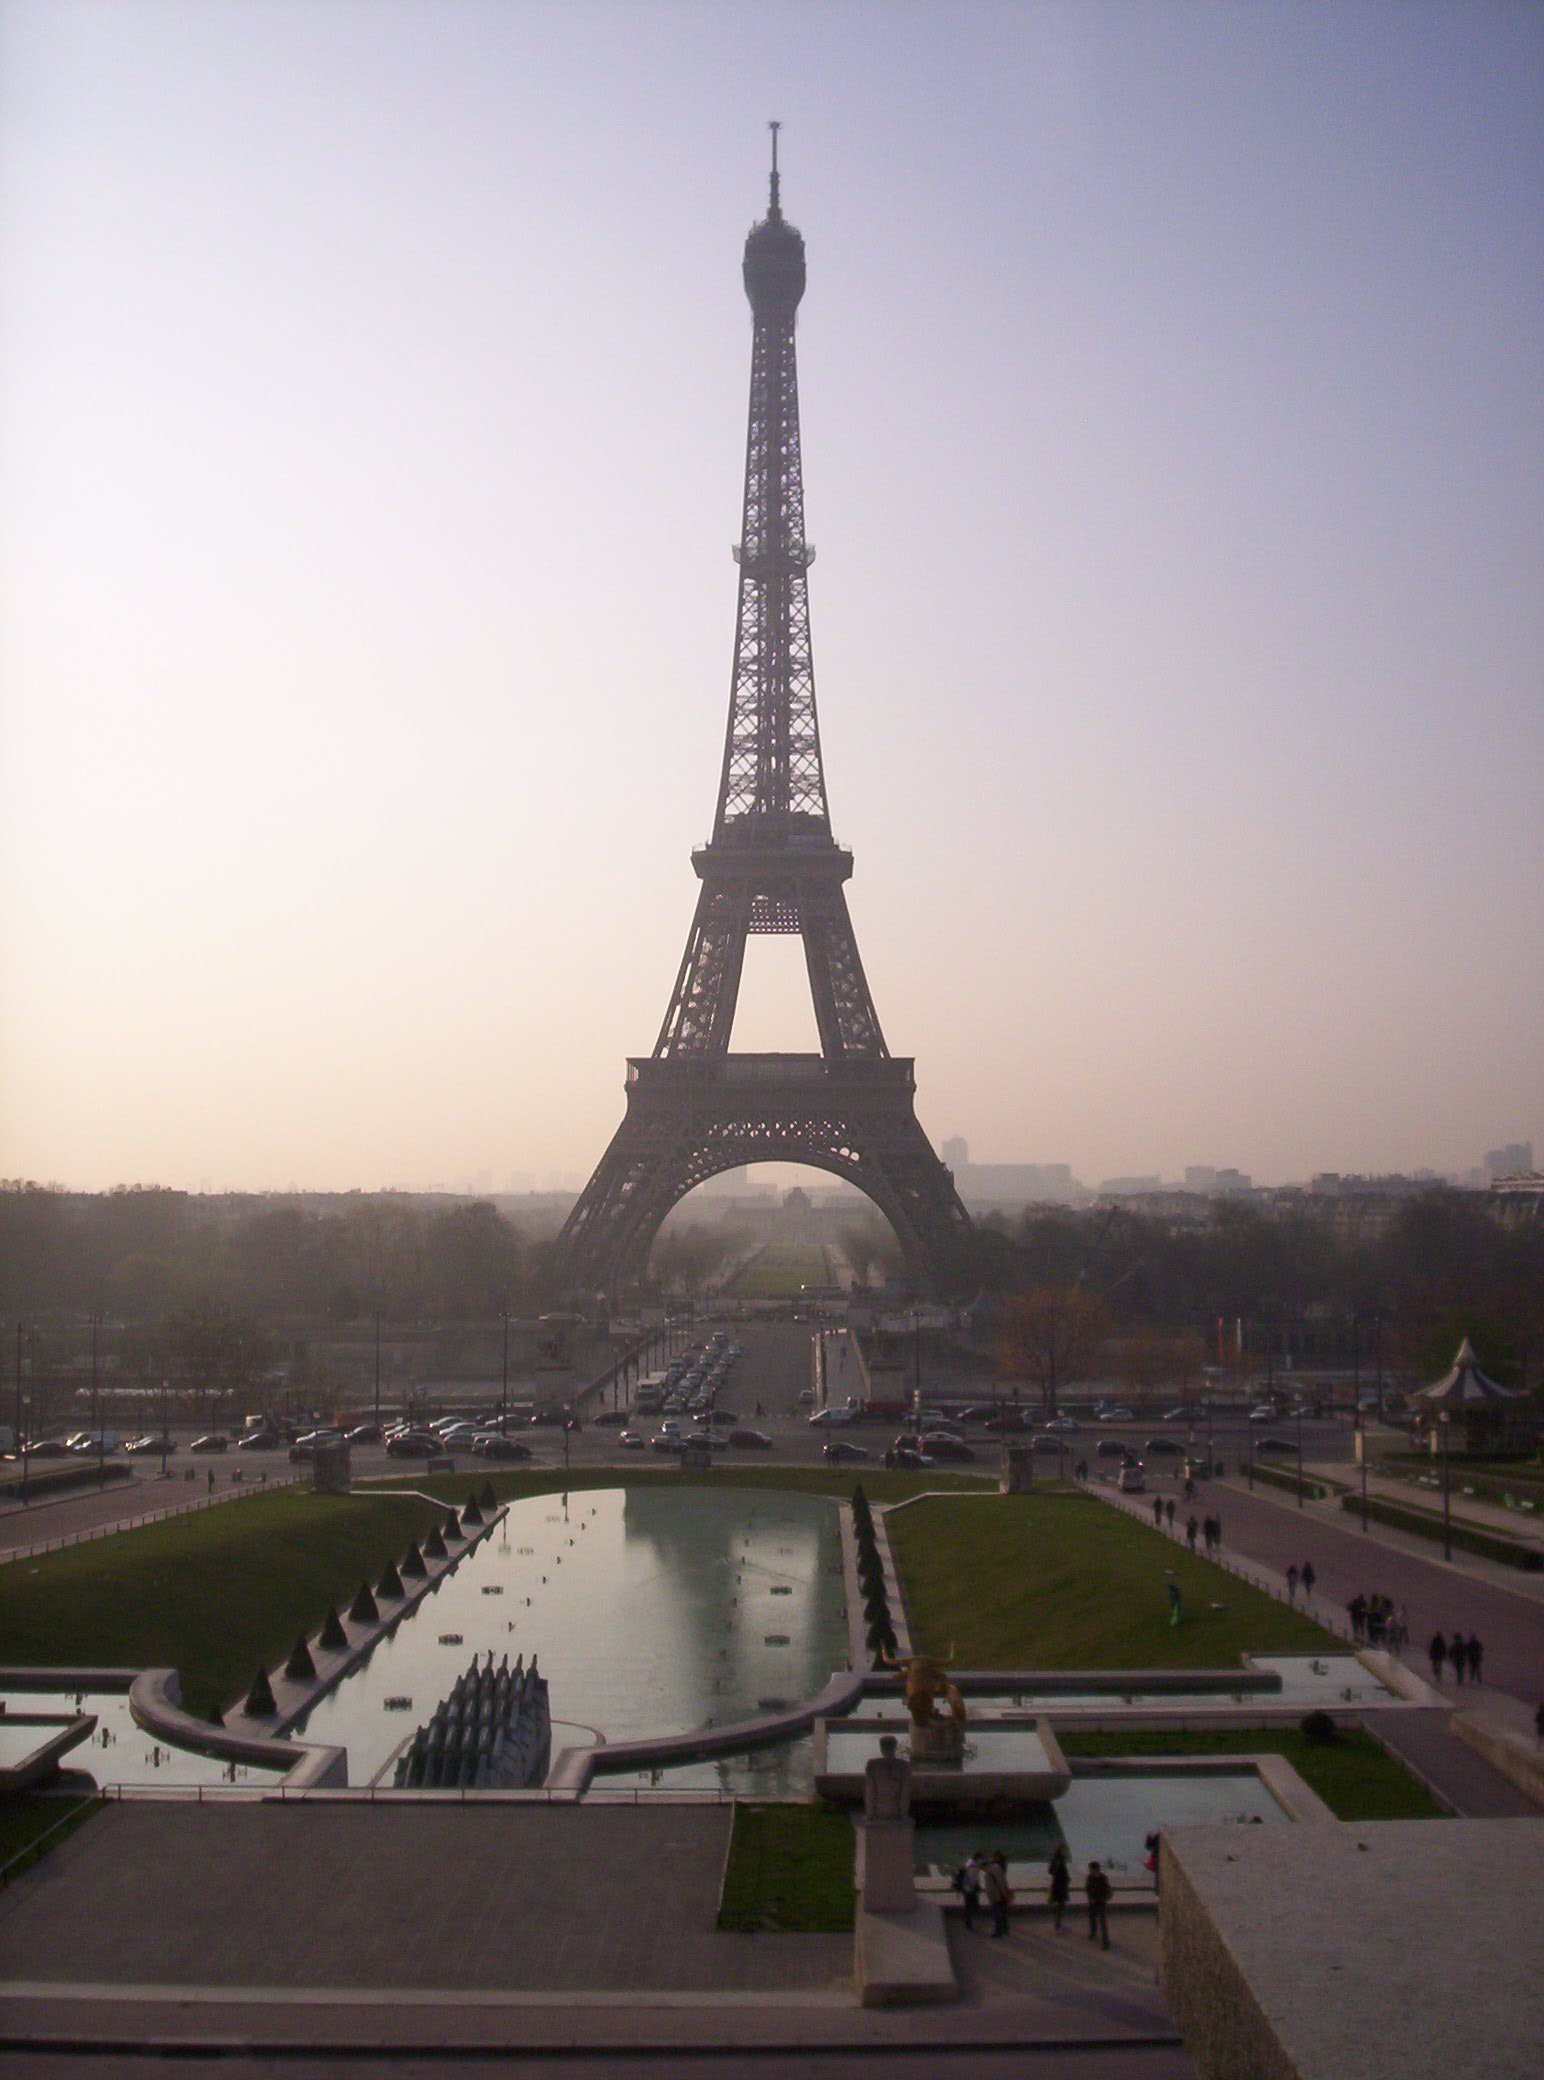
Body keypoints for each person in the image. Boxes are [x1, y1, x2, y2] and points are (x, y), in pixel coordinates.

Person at [982, 1851, 1012, 1938]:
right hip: (996, 1894)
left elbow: (1001, 1882)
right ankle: (1004, 1929)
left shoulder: (994, 1868)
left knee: (998, 1913)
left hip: (996, 1895)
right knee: (1001, 1913)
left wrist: (1004, 1893)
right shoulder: (996, 1868)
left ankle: (999, 1931)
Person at [954, 1851, 985, 1932]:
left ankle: (969, 1922)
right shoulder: (972, 1866)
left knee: (971, 1906)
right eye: (981, 1859)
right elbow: (972, 1878)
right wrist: (976, 1886)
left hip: (967, 1888)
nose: (981, 1861)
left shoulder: (969, 1863)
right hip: (970, 1889)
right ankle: (970, 1924)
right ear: (978, 1859)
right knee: (971, 1906)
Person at [1085, 1860, 1112, 1949]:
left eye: (1091, 1869)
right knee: (1092, 1918)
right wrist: (1090, 1897)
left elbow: (1107, 1888)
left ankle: (1105, 1941)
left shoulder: (1103, 1878)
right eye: (1090, 1869)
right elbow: (1087, 1888)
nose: (1090, 1871)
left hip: (1101, 1902)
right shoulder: (1090, 1878)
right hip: (1093, 1902)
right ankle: (1093, 1933)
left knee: (1102, 1921)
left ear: (1096, 1869)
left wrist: (1107, 1896)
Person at [1047, 1843, 1071, 1932]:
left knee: (1060, 1906)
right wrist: (1064, 1877)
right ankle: (1058, 1925)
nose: (1065, 1851)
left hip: (1059, 1886)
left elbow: (1051, 1871)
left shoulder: (1059, 1859)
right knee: (1060, 1907)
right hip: (1059, 1887)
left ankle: (1058, 1924)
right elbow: (1052, 1871)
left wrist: (1066, 1878)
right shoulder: (1058, 1860)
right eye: (1064, 1850)